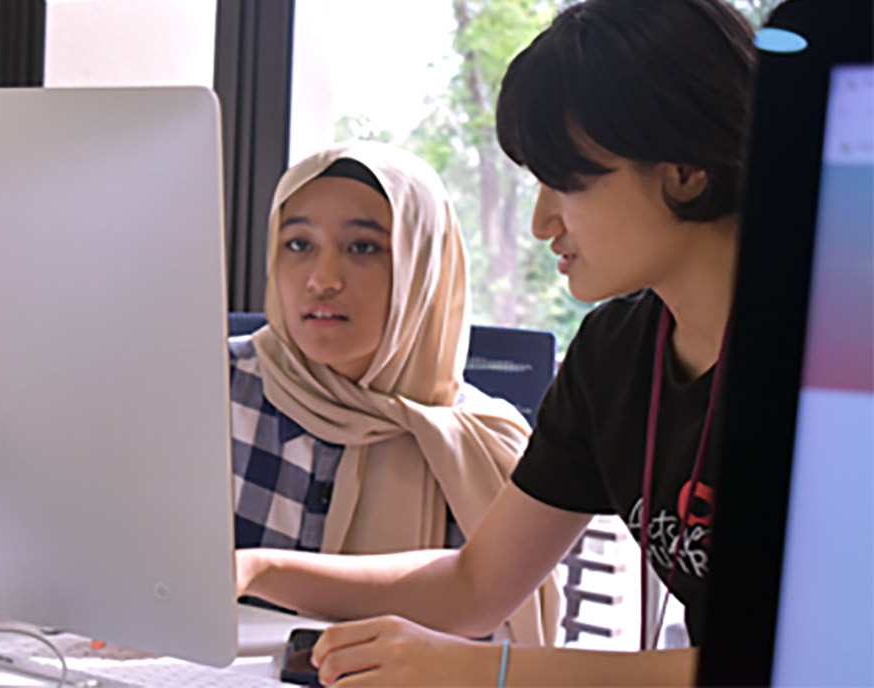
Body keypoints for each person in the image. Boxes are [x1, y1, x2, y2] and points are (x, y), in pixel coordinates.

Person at [234, 0, 756, 685]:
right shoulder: (615, 353)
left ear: (687, 170)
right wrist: (258, 566)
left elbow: (822, 664)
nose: (542, 222)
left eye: (567, 183)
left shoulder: (835, 369)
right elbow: (476, 583)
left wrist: (495, 671)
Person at [0, 141, 560, 645]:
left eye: (363, 249)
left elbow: (494, 635)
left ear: (425, 269)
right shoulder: (199, 388)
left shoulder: (489, 447)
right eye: (298, 244)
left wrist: (258, 569)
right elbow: (92, 542)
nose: (321, 278)